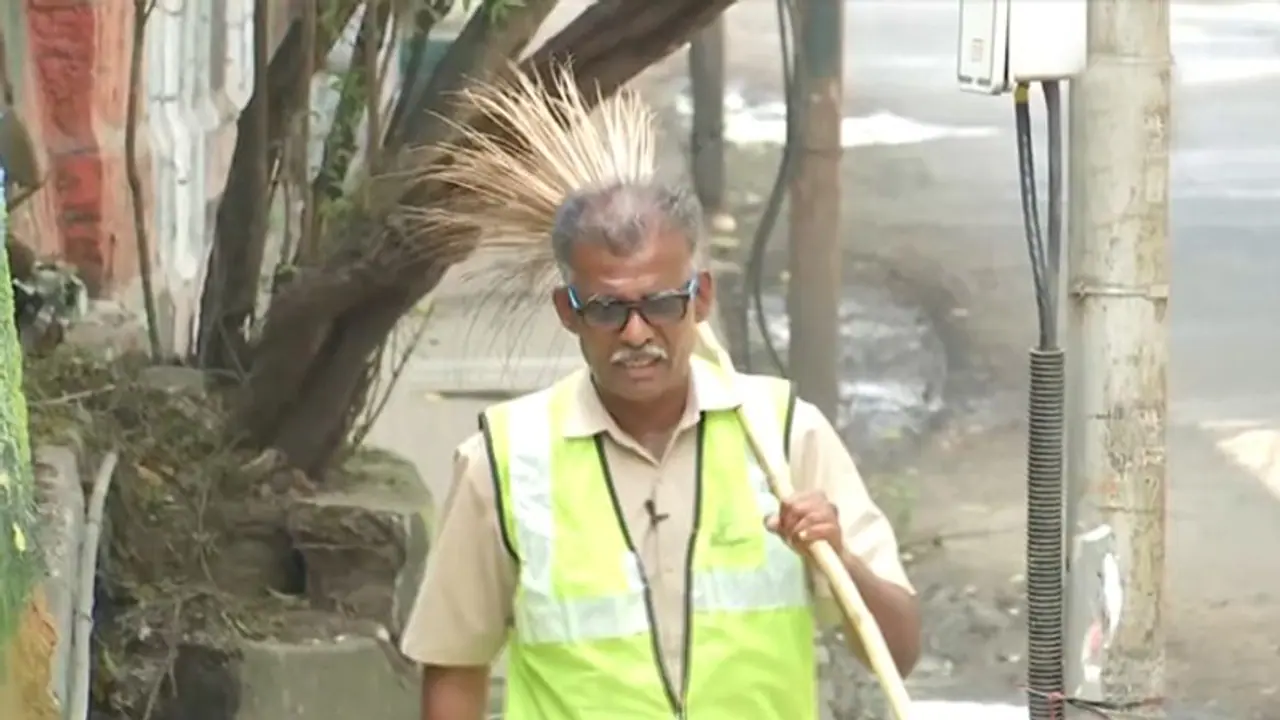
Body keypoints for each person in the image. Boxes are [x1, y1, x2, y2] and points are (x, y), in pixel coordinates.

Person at [400, 181, 921, 719]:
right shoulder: (503, 460)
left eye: (661, 304)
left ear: (701, 299)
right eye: (607, 310)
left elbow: (899, 652)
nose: (635, 332)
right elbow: (454, 664)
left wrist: (841, 560)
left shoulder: (786, 435)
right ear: (567, 310)